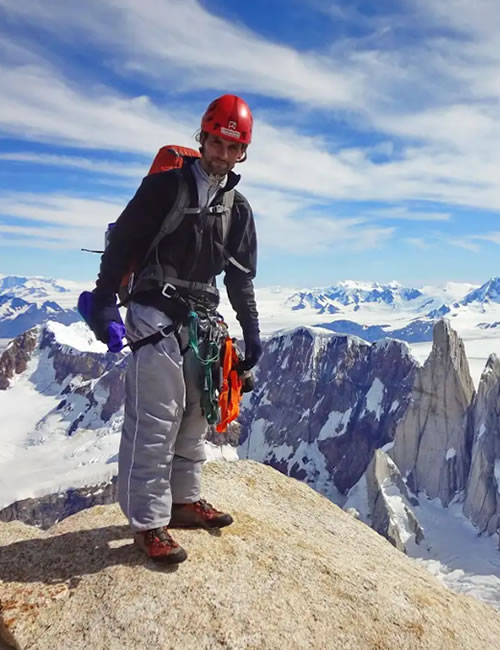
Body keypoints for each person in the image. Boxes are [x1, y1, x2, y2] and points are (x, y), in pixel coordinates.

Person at [85, 94, 262, 563]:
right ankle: (147, 523)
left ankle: (183, 502)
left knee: (197, 414)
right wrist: (105, 301)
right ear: (202, 138)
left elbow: (240, 278)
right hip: (153, 312)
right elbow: (122, 244)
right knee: (157, 419)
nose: (223, 155)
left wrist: (251, 333)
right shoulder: (164, 189)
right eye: (217, 143)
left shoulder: (238, 209)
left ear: (243, 151)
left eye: (233, 147)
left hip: (202, 320)